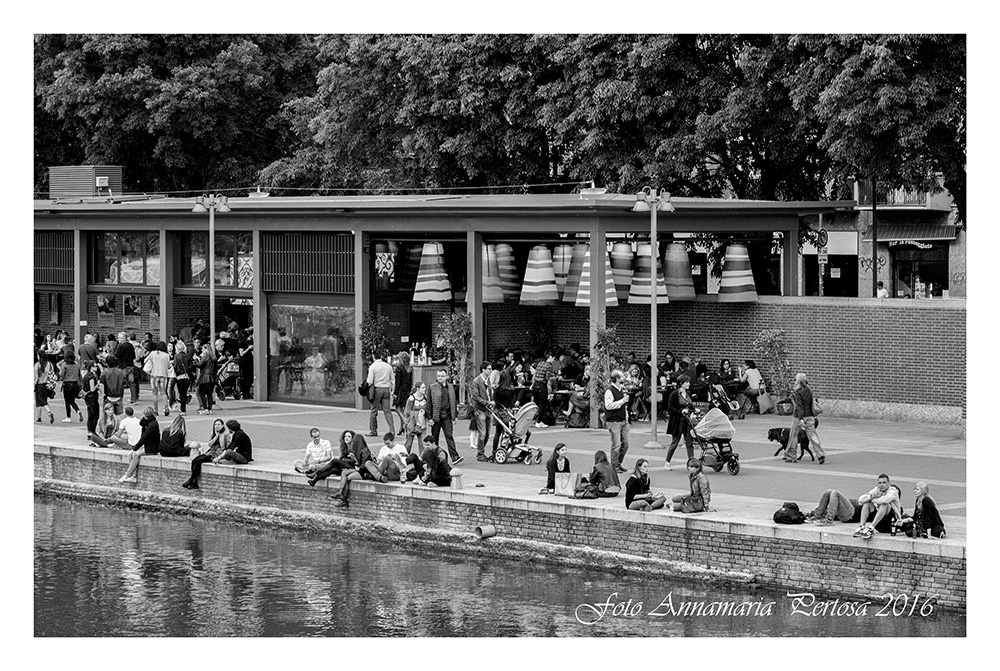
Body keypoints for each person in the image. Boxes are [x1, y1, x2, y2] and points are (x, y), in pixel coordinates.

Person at [783, 373, 826, 465]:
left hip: (799, 417)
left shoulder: (797, 392)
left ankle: (791, 456)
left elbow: (799, 406)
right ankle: (820, 455)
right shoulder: (809, 389)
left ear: (798, 381)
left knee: (793, 435)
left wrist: (801, 418)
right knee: (813, 436)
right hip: (810, 416)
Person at [425, 368, 463, 464]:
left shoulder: (450, 387)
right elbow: (429, 403)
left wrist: (454, 416)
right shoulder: (432, 387)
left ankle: (455, 456)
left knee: (449, 436)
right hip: (436, 416)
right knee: (435, 437)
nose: (440, 378)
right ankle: (434, 457)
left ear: (446, 377)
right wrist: (429, 418)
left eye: (442, 376)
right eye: (438, 376)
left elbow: (453, 402)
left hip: (447, 415)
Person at [182, 419, 230, 489]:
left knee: (199, 461)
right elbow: (210, 444)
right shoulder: (213, 433)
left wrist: (220, 437)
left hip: (216, 454)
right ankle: (194, 482)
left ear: (222, 425)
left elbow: (225, 446)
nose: (216, 426)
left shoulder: (226, 434)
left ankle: (191, 480)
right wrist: (216, 436)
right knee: (194, 460)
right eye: (215, 425)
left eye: (218, 425)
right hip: (210, 451)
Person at [117, 407, 160, 483]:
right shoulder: (147, 423)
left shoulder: (152, 426)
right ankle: (132, 475)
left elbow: (144, 438)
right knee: (130, 454)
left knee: (135, 454)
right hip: (147, 445)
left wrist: (135, 448)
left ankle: (128, 474)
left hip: (152, 447)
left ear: (146, 416)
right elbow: (141, 423)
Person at [853, 474, 901, 538]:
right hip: (879, 523)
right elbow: (860, 500)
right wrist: (871, 496)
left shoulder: (893, 491)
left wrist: (873, 499)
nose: (882, 485)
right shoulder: (876, 490)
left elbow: (884, 500)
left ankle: (871, 528)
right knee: (867, 503)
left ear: (889, 483)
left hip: (892, 524)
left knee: (885, 505)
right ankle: (862, 526)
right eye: (880, 483)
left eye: (884, 482)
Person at [603, 369, 631, 474]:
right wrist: (622, 401)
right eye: (622, 377)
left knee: (626, 443)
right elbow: (608, 406)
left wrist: (626, 415)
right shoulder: (609, 391)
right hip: (614, 421)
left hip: (623, 419)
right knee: (616, 444)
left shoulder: (621, 389)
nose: (624, 378)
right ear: (618, 379)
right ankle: (614, 465)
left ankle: (618, 463)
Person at [665, 375, 694, 470]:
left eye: (688, 382)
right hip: (678, 422)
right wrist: (680, 412)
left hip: (687, 422)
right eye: (686, 382)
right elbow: (670, 408)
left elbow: (690, 405)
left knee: (689, 443)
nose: (688, 384)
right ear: (681, 383)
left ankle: (692, 463)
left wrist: (694, 410)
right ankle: (667, 462)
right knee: (674, 443)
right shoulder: (674, 394)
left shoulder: (688, 393)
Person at [365, 351, 395, 437]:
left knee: (374, 410)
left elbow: (370, 381)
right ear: (380, 356)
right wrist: (392, 390)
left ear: (373, 357)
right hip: (386, 389)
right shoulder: (388, 366)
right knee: (387, 411)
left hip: (377, 389)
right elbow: (392, 380)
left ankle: (373, 430)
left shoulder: (372, 367)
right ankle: (392, 430)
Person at [470, 361, 495, 462]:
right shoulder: (477, 381)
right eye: (489, 369)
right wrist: (486, 402)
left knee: (488, 433)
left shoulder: (488, 380)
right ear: (483, 370)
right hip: (481, 409)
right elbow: (475, 396)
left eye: (491, 369)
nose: (491, 370)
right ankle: (480, 453)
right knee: (482, 433)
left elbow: (489, 393)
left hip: (488, 409)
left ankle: (481, 451)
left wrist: (492, 401)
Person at [530, 349, 556, 428]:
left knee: (536, 403)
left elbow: (536, 374)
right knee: (542, 404)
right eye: (553, 358)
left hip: (535, 385)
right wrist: (554, 378)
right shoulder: (549, 366)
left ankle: (533, 420)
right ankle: (539, 421)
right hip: (542, 385)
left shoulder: (540, 363)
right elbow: (547, 377)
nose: (553, 360)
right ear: (550, 357)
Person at [143, 341, 171, 416]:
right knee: (163, 393)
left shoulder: (153, 353)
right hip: (163, 375)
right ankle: (166, 408)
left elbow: (145, 360)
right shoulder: (166, 355)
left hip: (154, 375)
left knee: (154, 394)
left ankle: (155, 410)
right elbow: (168, 366)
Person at [57, 349, 84, 423]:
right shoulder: (77, 365)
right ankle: (78, 411)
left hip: (67, 384)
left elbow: (61, 375)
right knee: (72, 400)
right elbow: (79, 375)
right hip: (75, 384)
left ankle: (68, 417)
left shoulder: (64, 365)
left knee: (67, 401)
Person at [402, 381, 429, 454]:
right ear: (418, 388)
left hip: (422, 424)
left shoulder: (425, 398)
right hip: (413, 424)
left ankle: (422, 460)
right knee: (408, 444)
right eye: (423, 388)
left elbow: (428, 410)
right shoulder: (412, 398)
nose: (425, 389)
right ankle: (405, 458)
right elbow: (407, 411)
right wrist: (416, 413)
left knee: (423, 444)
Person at [392, 351, 413, 437]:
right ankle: (402, 428)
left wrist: (395, 393)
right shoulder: (410, 368)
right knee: (404, 409)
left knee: (397, 408)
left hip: (401, 390)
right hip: (407, 390)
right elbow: (411, 381)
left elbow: (398, 382)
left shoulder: (399, 368)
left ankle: (405, 422)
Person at [195, 339, 218, 415]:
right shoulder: (214, 358)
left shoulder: (205, 357)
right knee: (209, 394)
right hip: (213, 378)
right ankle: (210, 409)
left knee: (202, 393)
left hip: (205, 377)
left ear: (205, 349)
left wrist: (196, 360)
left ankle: (205, 408)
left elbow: (199, 365)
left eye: (202, 349)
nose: (202, 350)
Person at [34, 348, 56, 424]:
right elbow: (52, 375)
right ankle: (39, 418)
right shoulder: (49, 364)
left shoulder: (37, 365)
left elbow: (36, 378)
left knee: (41, 402)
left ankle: (49, 412)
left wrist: (33, 385)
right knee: (40, 402)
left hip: (39, 385)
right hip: (47, 385)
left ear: (39, 356)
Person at [81, 359, 101, 437]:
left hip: (87, 397)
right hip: (92, 397)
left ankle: (89, 432)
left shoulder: (86, 375)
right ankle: (93, 431)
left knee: (90, 415)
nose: (96, 367)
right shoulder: (91, 377)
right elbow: (92, 389)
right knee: (95, 415)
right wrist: (98, 385)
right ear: (91, 367)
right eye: (95, 366)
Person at [173, 342, 194, 415]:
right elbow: (191, 367)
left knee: (181, 394)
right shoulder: (188, 356)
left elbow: (175, 367)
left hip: (179, 376)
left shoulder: (176, 356)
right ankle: (183, 408)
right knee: (184, 393)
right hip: (187, 376)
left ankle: (183, 409)